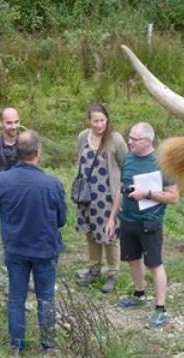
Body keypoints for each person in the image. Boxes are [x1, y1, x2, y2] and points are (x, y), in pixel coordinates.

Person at [0, 129, 67, 356]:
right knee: (46, 297)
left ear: (16, 152)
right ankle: (49, 345)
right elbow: (61, 220)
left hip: (14, 246)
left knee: (16, 296)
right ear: (38, 153)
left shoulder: (2, 180)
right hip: (44, 248)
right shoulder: (52, 184)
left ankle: (16, 345)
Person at [111, 122, 179, 329]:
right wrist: (112, 217)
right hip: (128, 221)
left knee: (154, 265)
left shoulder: (162, 163)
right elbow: (120, 191)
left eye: (134, 139)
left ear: (147, 141)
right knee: (132, 259)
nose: (129, 142)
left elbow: (174, 197)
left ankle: (160, 308)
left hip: (150, 223)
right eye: (129, 137)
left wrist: (147, 194)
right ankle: (139, 294)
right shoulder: (129, 159)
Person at [74, 103, 128, 293]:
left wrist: (122, 192)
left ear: (107, 119)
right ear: (89, 120)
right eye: (95, 121)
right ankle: (94, 267)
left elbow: (125, 165)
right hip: (87, 195)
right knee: (90, 233)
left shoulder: (116, 140)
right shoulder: (82, 137)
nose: (99, 125)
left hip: (108, 196)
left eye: (102, 120)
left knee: (110, 234)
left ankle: (113, 272)